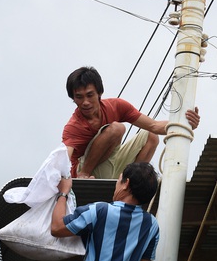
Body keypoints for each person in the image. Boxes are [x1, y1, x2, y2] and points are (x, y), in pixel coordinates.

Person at [62, 66, 200, 179]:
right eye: (79, 97)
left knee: (150, 135)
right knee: (117, 128)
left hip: (112, 163)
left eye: (90, 95)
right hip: (87, 172)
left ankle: (130, 181)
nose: (85, 102)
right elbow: (62, 160)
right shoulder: (74, 126)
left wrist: (185, 124)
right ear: (73, 99)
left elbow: (154, 126)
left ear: (99, 93)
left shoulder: (116, 106)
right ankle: (85, 175)